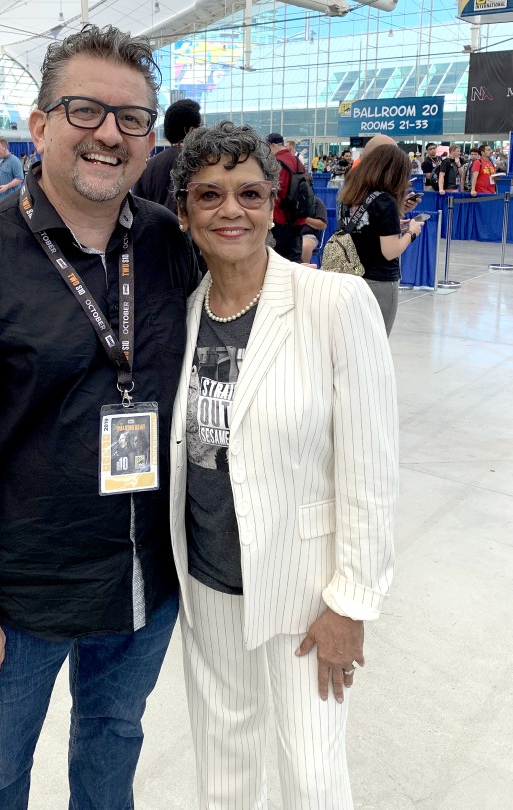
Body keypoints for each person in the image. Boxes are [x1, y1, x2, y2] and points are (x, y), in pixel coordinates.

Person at [0, 24, 198, 810]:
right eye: (84, 110)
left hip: (143, 583)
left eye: (132, 118)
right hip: (19, 597)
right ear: (38, 126)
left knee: (113, 743)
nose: (109, 133)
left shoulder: (170, 245)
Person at [169, 120, 398, 810]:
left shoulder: (334, 303)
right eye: (209, 196)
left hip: (304, 587)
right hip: (208, 577)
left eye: (249, 193)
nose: (230, 211)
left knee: (312, 771)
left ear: (274, 202)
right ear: (184, 213)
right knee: (224, 756)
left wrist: (351, 601)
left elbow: (372, 466)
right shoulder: (181, 315)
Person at [337, 143, 424, 335]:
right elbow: (390, 250)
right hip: (378, 281)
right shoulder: (385, 201)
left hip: (349, 278)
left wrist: (396, 220)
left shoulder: (350, 195)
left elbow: (362, 229)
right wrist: (411, 232)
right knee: (377, 344)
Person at [134, 98, 202, 213]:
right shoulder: (199, 164)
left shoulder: (146, 167)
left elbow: (136, 208)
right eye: (200, 126)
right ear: (191, 131)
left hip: (152, 229)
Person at [266, 132, 305, 262]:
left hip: (280, 219)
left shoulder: (277, 163)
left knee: (277, 260)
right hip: (298, 218)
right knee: (295, 261)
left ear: (273, 146)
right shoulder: (298, 162)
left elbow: (277, 192)